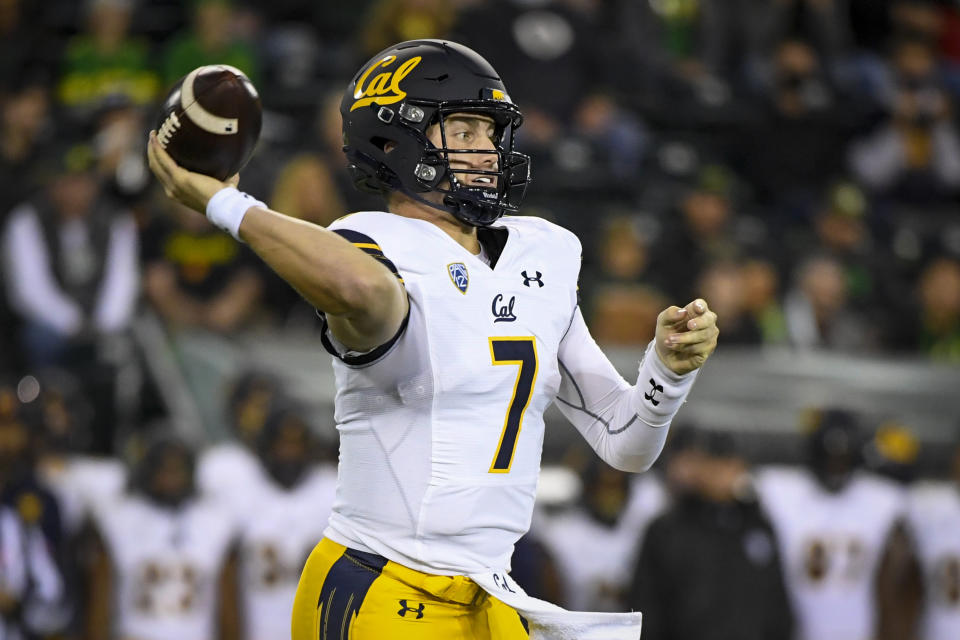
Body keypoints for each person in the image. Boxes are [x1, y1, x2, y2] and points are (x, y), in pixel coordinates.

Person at [147, 39, 719, 639]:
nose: (489, 151)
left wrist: (667, 372)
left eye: (491, 134)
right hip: (383, 584)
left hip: (489, 592)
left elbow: (625, 441)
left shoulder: (543, 253)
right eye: (465, 131)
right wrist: (227, 205)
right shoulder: (370, 244)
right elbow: (361, 289)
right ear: (396, 141)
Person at [754, 409, 909, 640]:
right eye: (829, 457)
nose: (836, 466)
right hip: (793, 629)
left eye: (843, 458)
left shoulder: (883, 499)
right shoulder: (779, 489)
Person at [629, 427, 794, 640]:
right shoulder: (667, 530)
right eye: (714, 462)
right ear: (700, 467)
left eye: (729, 463)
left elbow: (777, 604)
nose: (723, 472)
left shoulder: (757, 526)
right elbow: (647, 606)